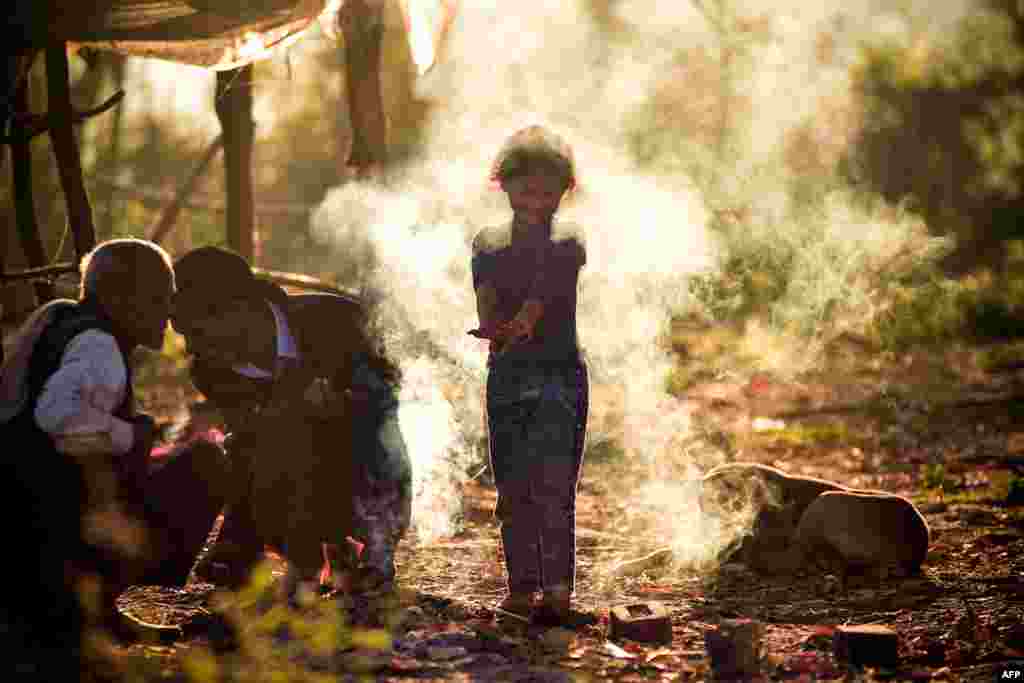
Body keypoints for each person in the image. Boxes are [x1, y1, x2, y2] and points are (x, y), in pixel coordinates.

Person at [0, 238, 230, 674]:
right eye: (160, 299)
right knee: (208, 464)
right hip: (51, 533)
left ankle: (88, 609)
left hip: (31, 531)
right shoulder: (98, 346)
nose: (168, 314)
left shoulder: (62, 324)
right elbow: (58, 417)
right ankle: (84, 609)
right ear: (123, 300)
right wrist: (132, 436)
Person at [170, 246, 411, 595]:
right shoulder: (210, 369)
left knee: (372, 420)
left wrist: (341, 402)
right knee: (249, 443)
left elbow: (389, 412)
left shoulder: (338, 322)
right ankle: (271, 553)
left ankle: (372, 552)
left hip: (359, 454)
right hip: (291, 469)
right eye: (185, 332)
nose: (192, 346)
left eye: (199, 329)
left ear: (240, 309)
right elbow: (249, 446)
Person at [470, 125, 590, 625]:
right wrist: (495, 327)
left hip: (559, 373)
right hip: (508, 373)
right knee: (514, 488)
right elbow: (484, 295)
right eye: (526, 186)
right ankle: (522, 589)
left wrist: (519, 325)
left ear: (564, 190)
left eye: (547, 189)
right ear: (505, 185)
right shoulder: (486, 241)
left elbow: (546, 291)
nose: (536, 198)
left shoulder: (569, 238)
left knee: (555, 489)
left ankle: (558, 593)